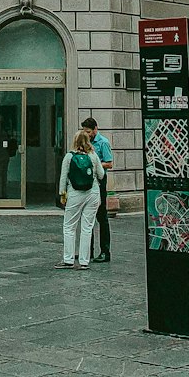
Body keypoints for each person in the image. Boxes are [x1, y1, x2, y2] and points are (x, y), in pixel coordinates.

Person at [57, 129, 104, 270]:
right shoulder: (93, 155)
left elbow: (63, 177)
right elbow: (101, 175)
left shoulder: (69, 156)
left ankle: (68, 259)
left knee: (69, 226)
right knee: (87, 227)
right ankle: (84, 262)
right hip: (93, 192)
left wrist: (62, 194)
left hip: (75, 193)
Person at [81, 116, 113, 263]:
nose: (86, 134)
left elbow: (109, 163)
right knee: (88, 217)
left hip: (100, 180)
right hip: (88, 180)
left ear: (95, 129)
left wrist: (95, 164)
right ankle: (88, 250)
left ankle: (105, 251)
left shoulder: (103, 142)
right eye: (84, 131)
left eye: (88, 131)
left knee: (101, 216)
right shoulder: (85, 142)